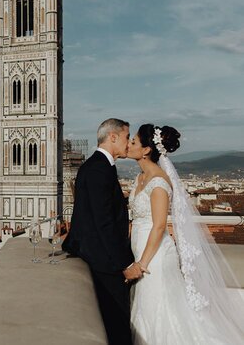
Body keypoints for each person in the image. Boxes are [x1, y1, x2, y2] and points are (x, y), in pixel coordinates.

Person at [127, 124, 244, 344]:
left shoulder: (158, 182)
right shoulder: (140, 178)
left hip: (155, 260)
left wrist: (142, 264)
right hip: (141, 252)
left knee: (158, 313)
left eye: (133, 141)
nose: (129, 144)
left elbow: (159, 225)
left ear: (145, 151)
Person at [63, 118, 143, 345]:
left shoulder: (96, 166)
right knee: (116, 326)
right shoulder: (99, 169)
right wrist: (125, 265)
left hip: (98, 258)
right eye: (127, 137)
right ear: (113, 137)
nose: (129, 143)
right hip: (104, 263)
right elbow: (104, 222)